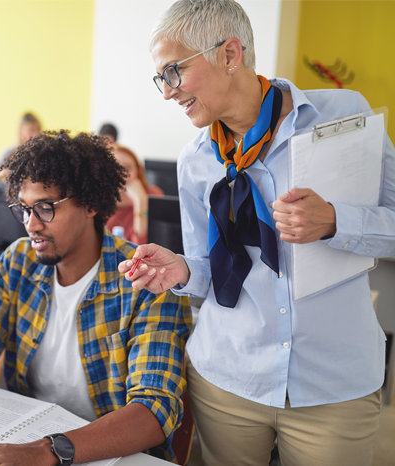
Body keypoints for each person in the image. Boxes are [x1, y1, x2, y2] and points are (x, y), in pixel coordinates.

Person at [124, 1, 395, 464]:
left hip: (333, 386)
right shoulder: (196, 161)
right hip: (226, 380)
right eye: (160, 78)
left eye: (173, 71)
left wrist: (336, 221)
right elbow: (212, 271)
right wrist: (182, 270)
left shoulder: (343, 114)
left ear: (230, 54)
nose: (167, 92)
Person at [0, 131, 193, 465]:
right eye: (24, 209)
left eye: (45, 208)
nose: (31, 225)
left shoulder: (147, 281)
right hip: (28, 436)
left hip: (110, 453)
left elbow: (153, 410)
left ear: (90, 204)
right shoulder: (19, 260)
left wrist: (48, 450)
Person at [105, 143, 164, 244]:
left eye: (128, 168)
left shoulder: (153, 195)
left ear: (137, 171)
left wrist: (140, 201)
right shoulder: (97, 201)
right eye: (115, 168)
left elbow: (144, 248)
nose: (122, 174)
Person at [0, 112, 42, 179]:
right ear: (20, 131)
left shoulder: (42, 153)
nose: (35, 134)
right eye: (31, 131)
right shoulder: (9, 151)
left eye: (38, 130)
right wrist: (1, 172)